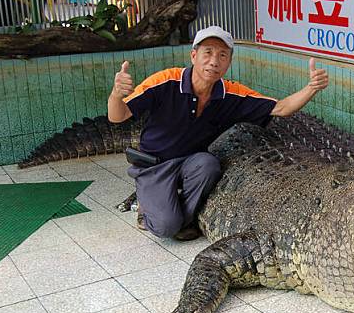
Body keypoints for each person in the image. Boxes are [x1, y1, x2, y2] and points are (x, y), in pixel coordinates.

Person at [108, 26, 329, 240]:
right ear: (193, 55)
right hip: (155, 164)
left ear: (228, 62)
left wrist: (311, 88)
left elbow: (281, 108)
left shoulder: (230, 93)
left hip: (191, 163)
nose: (214, 61)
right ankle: (147, 209)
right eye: (208, 52)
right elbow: (117, 116)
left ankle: (175, 212)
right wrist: (117, 94)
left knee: (209, 164)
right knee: (166, 227)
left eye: (222, 55)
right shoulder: (165, 81)